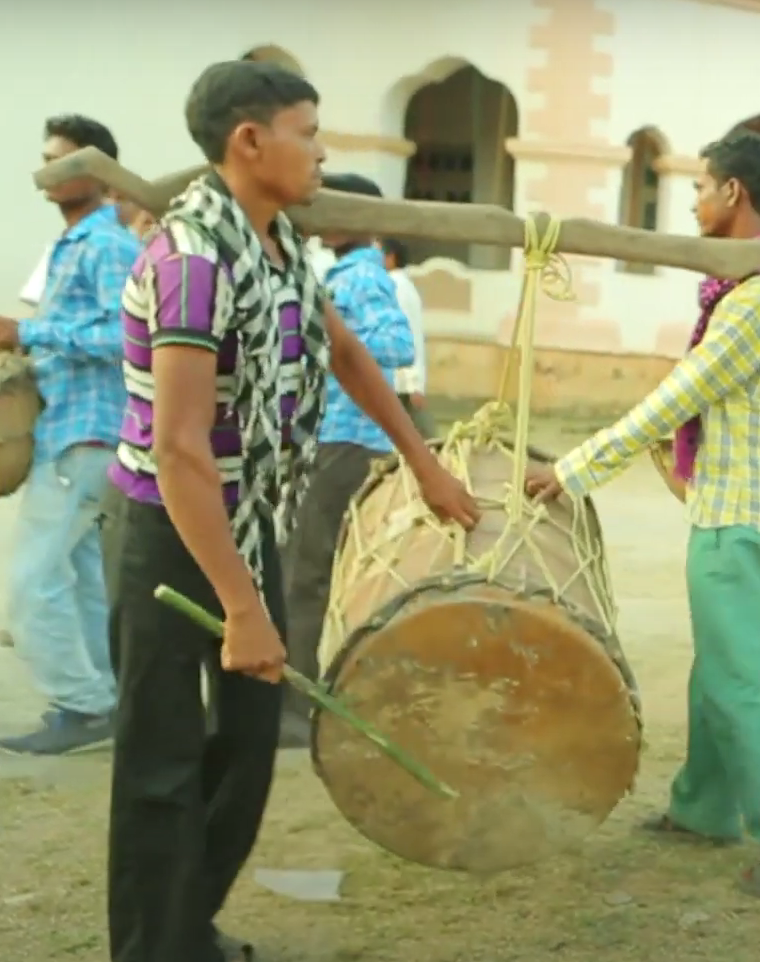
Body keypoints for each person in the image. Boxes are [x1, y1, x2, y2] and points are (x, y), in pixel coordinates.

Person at [102, 60, 478, 962]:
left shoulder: (277, 249)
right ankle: (155, 948)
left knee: (247, 742)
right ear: (250, 140)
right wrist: (241, 606)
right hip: (167, 529)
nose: (320, 151)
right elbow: (181, 449)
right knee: (159, 765)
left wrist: (425, 462)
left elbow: (343, 353)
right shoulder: (194, 260)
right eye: (308, 131)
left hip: (244, 519)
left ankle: (185, 927)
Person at [522, 129, 760, 898]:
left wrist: (573, 470)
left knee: (735, 682)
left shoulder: (758, 297)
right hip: (756, 510)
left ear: (733, 192)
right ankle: (704, 808)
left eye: (701, 187)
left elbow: (681, 395)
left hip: (739, 517)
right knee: (720, 669)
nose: (694, 200)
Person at [0, 115, 141, 756]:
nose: (49, 173)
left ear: (97, 172)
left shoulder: (109, 246)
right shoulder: (75, 244)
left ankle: (81, 703)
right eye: (46, 160)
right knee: (77, 575)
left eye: (62, 161)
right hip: (70, 427)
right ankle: (101, 703)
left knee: (30, 580)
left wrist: (28, 335)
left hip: (88, 429)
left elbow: (131, 339)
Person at [278, 173, 416, 747]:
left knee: (303, 573)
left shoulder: (360, 276)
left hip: (347, 438)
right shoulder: (333, 271)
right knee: (312, 569)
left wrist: (328, 339)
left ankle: (295, 705)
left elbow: (395, 345)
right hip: (333, 436)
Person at [379, 237, 433, 437]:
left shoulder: (396, 286)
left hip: (402, 380)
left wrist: (414, 383)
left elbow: (409, 333)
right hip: (401, 379)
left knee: (419, 437)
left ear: (390, 258)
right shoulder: (401, 284)